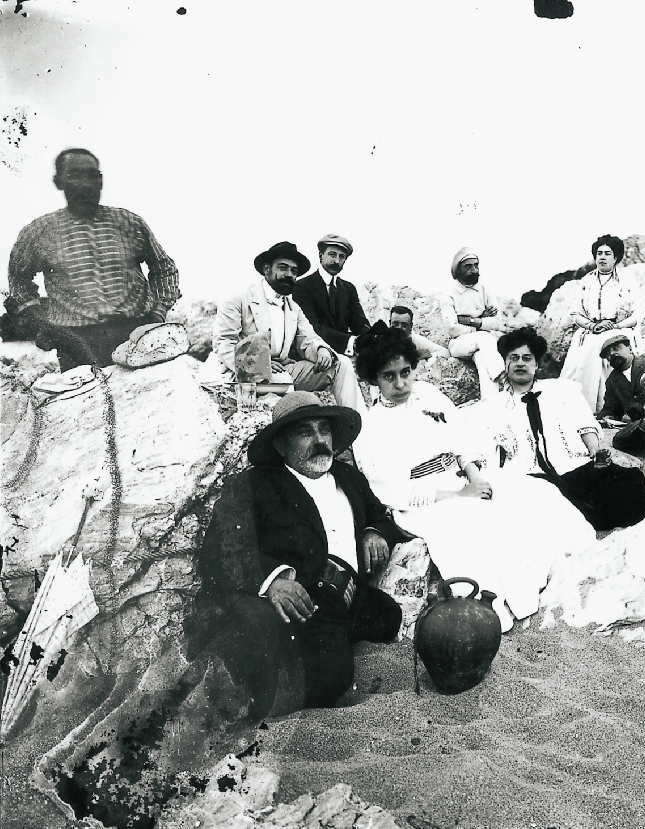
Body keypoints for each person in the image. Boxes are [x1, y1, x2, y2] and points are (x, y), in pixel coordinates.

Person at [351, 327, 595, 632]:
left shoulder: (428, 394)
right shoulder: (372, 427)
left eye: (406, 372)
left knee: (533, 491)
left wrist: (476, 476)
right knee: (473, 518)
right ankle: (502, 603)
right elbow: (394, 490)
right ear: (374, 378)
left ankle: (553, 567)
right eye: (389, 376)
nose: (401, 383)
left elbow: (461, 442)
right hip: (424, 500)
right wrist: (458, 495)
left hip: (460, 478)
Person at [194, 391, 404, 715]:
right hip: (302, 602)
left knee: (388, 616)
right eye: (306, 432)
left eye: (324, 430)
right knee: (330, 678)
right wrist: (274, 580)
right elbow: (218, 552)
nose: (320, 440)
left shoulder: (349, 477)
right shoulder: (253, 485)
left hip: (351, 597)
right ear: (281, 445)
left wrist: (374, 533)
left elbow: (380, 515)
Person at [5, 148, 181, 370]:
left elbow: (164, 269)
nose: (85, 185)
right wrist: (40, 322)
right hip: (77, 342)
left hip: (136, 334)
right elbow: (18, 280)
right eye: (75, 176)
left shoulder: (129, 223)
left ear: (100, 181)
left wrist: (157, 314)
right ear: (58, 181)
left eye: (91, 176)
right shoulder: (39, 232)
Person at [472, 327, 645, 532]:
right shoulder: (493, 406)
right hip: (532, 477)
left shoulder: (562, 390)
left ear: (536, 364)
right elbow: (483, 449)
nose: (520, 363)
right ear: (505, 363)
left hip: (574, 467)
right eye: (513, 358)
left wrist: (595, 450)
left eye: (527, 358)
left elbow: (584, 424)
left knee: (627, 482)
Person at [211, 241, 364, 411]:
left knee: (341, 363)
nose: (289, 275)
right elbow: (223, 343)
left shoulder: (293, 308)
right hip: (244, 377)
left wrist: (322, 350)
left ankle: (353, 422)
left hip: (283, 371)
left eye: (294, 271)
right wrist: (261, 364)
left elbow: (308, 339)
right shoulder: (237, 299)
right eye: (283, 268)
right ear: (267, 269)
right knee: (283, 380)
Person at [560, 235, 642, 412]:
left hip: (619, 328)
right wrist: (592, 326)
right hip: (592, 329)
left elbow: (638, 314)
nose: (602, 257)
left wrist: (617, 325)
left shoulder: (627, 281)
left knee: (604, 344)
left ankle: (604, 407)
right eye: (599, 253)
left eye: (607, 253)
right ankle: (580, 406)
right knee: (588, 344)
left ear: (616, 258)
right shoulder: (586, 281)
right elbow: (575, 313)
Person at [440, 247, 506, 399]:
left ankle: (490, 401)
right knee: (485, 337)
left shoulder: (486, 290)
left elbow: (497, 322)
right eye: (468, 267)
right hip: (459, 344)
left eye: (476, 265)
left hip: (483, 345)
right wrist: (481, 321)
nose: (474, 270)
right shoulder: (449, 293)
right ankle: (503, 376)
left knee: (483, 360)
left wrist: (468, 321)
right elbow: (452, 328)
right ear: (458, 271)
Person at [292, 234, 371, 356]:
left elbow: (359, 323)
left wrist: (372, 337)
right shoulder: (301, 287)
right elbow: (313, 327)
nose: (337, 261)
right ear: (320, 256)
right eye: (332, 255)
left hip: (346, 353)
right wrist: (351, 342)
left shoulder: (348, 289)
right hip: (315, 355)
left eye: (342, 257)